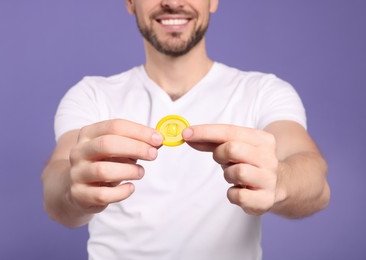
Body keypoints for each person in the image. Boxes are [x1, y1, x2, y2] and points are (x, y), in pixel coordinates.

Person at [41, 0, 330, 259]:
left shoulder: (263, 92)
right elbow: (56, 184)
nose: (173, 2)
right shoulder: (92, 95)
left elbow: (314, 180)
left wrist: (279, 181)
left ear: (213, 1)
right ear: (130, 2)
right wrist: (73, 190)